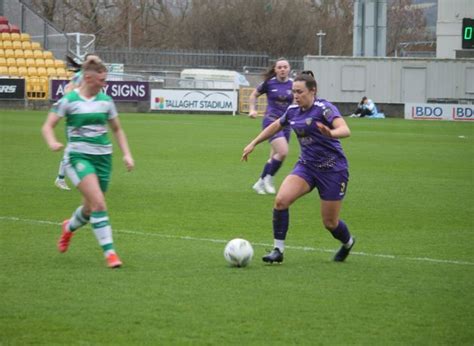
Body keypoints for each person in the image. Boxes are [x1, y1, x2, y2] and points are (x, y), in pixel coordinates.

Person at [242, 72, 355, 263]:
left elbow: (345, 129)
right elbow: (276, 125)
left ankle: (348, 242)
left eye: (300, 92)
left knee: (330, 223)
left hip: (333, 170)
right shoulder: (293, 110)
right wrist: (253, 143)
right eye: (294, 91)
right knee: (281, 201)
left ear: (313, 91)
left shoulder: (324, 108)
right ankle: (278, 251)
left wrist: (331, 133)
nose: (295, 95)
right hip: (306, 167)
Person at [42, 59, 134, 268]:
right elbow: (48, 126)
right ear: (89, 77)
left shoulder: (106, 101)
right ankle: (110, 253)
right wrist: (52, 142)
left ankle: (68, 228)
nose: (104, 84)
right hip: (78, 158)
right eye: (101, 80)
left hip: (103, 159)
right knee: (99, 204)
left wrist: (127, 154)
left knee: (90, 208)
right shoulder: (69, 100)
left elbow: (117, 130)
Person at [54, 54, 103, 190]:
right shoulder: (81, 75)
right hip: (77, 118)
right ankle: (61, 178)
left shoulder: (95, 75)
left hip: (89, 118)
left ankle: (89, 176)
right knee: (73, 147)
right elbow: (68, 89)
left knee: (88, 146)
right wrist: (71, 104)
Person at [248, 58, 293, 195]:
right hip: (271, 122)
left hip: (286, 124)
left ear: (289, 69)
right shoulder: (269, 83)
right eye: (279, 67)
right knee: (283, 152)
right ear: (275, 69)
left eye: (285, 67)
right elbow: (253, 95)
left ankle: (259, 183)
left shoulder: (294, 84)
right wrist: (252, 109)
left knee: (274, 156)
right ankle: (269, 178)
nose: (282, 69)